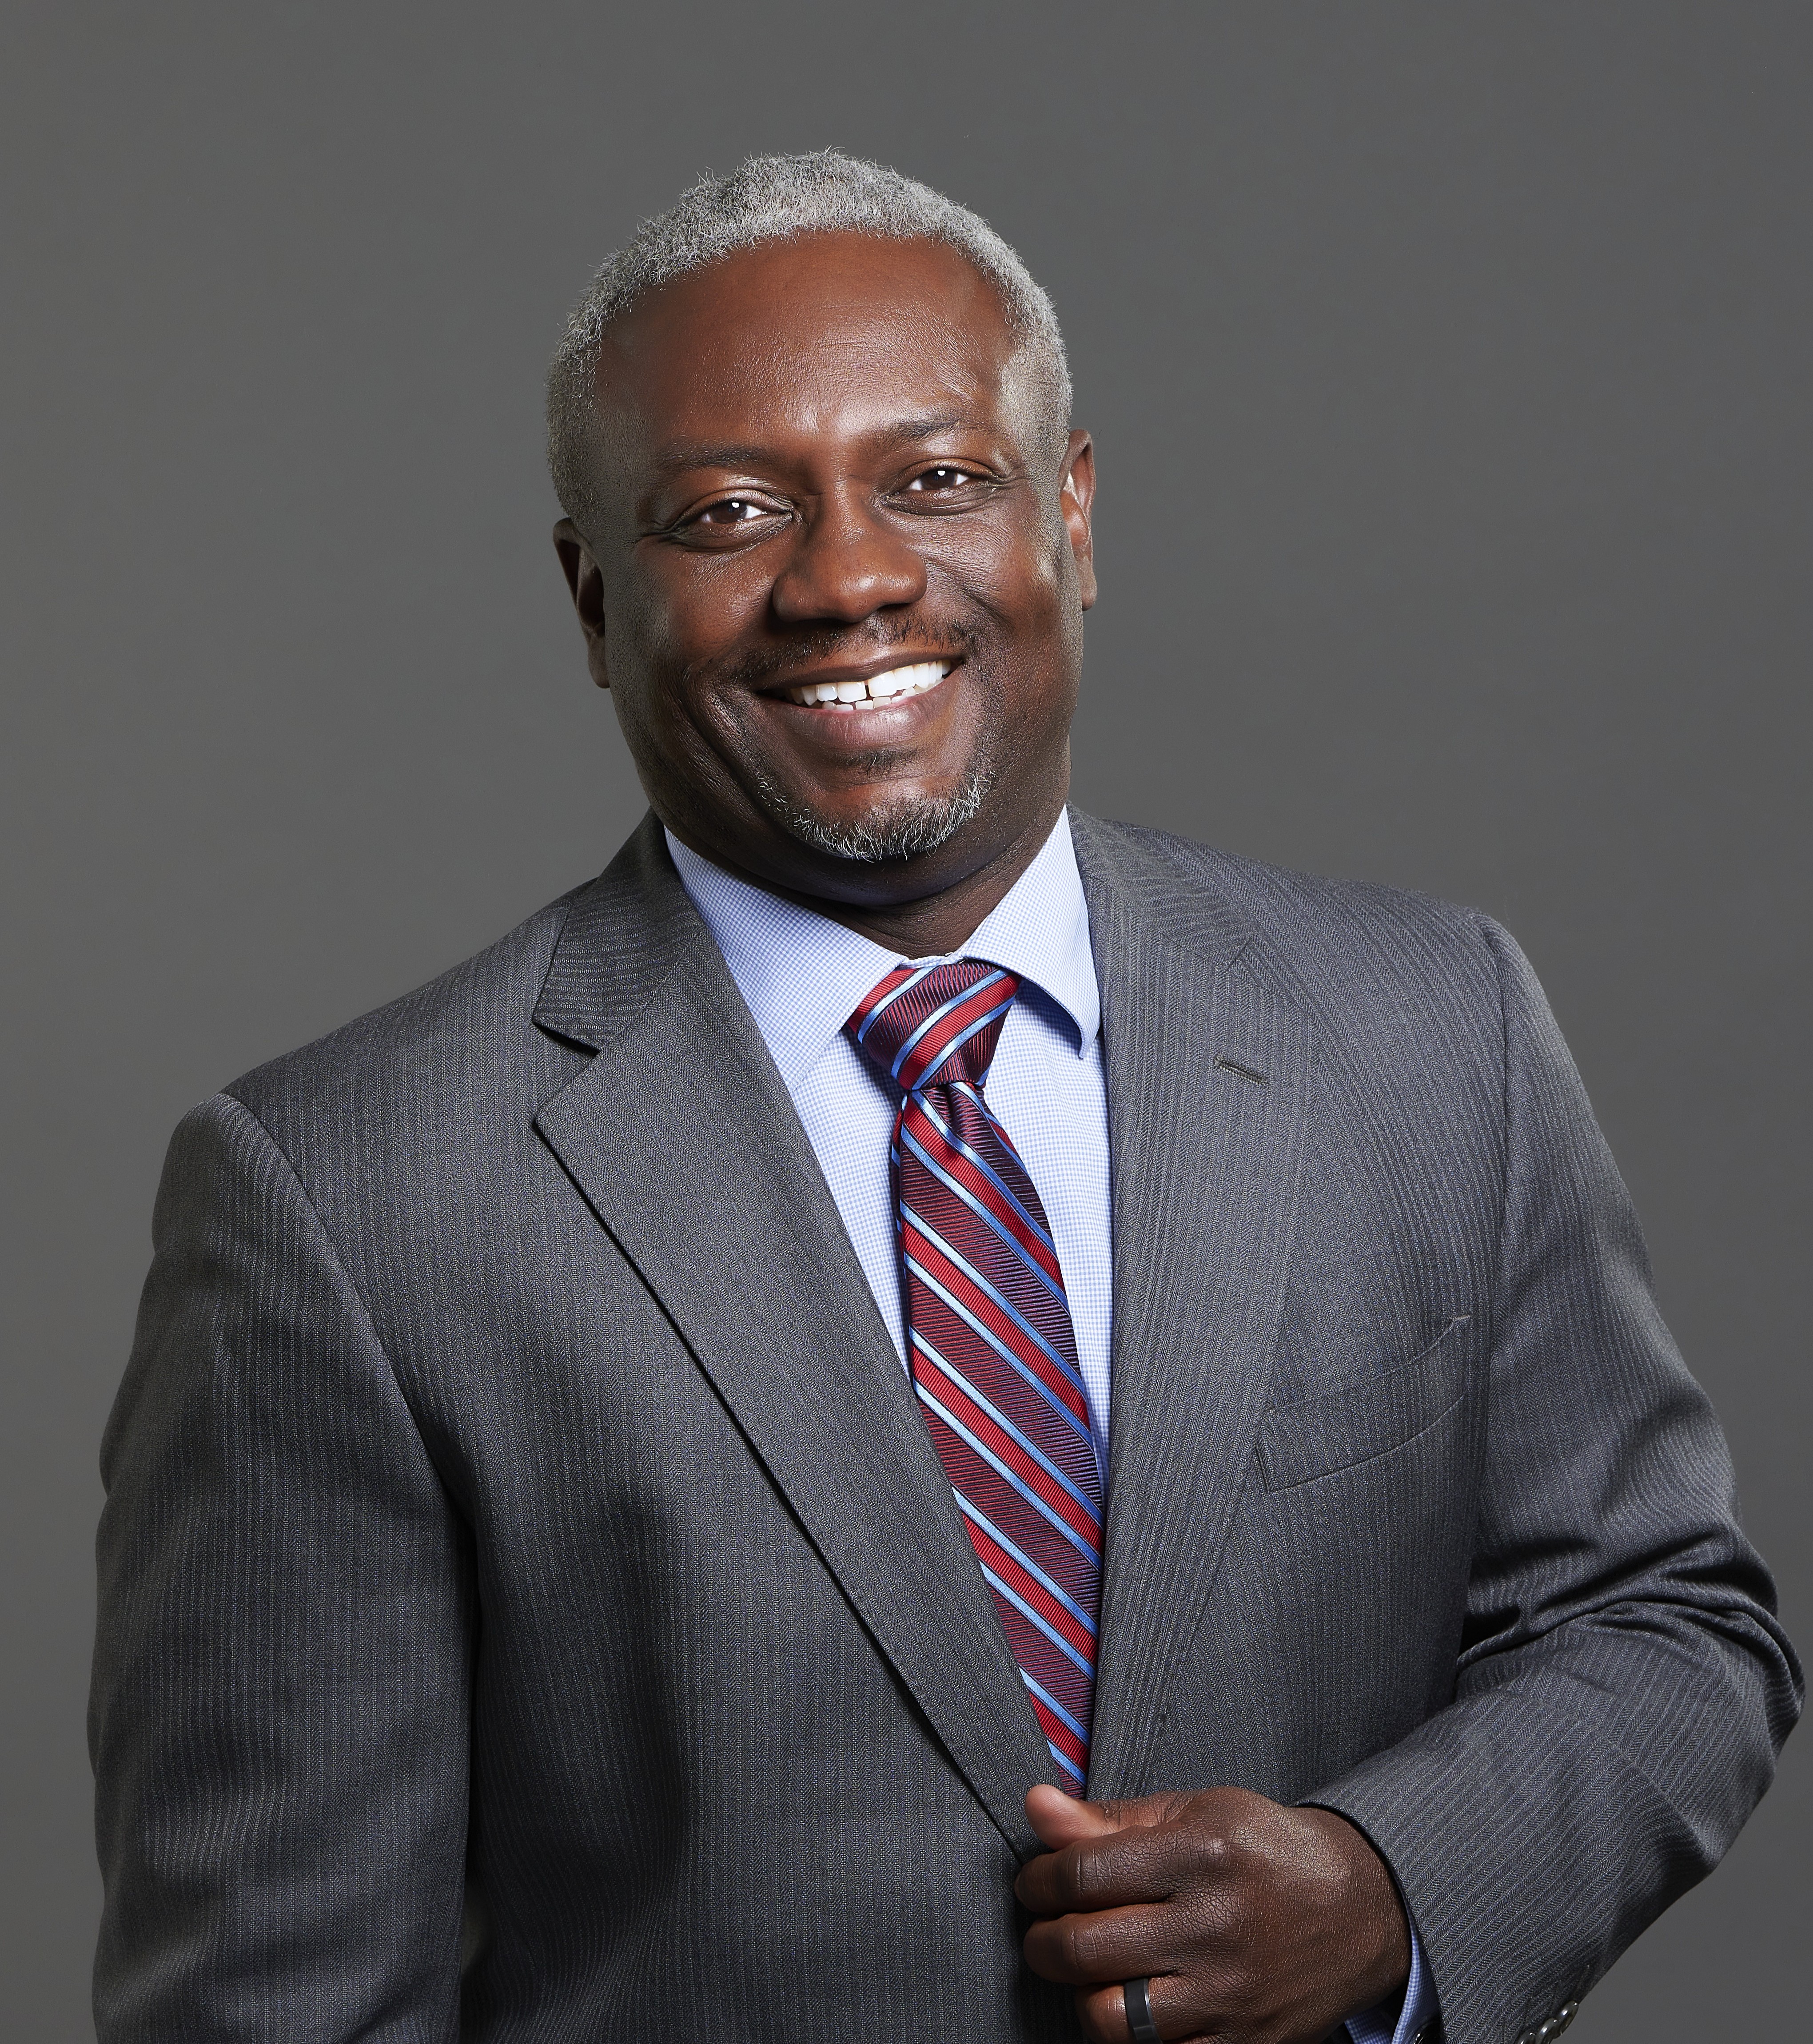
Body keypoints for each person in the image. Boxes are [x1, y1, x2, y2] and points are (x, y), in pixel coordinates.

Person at [91, 150, 1797, 2044]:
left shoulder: (1423, 1028)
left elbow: (1665, 1626)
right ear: (592, 600)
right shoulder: (345, 1197)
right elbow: (274, 2000)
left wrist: (1394, 1889)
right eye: (727, 510)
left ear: (1068, 516)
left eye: (937, 479)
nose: (847, 579)